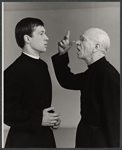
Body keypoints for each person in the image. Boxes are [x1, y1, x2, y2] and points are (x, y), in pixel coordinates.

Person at [51, 28, 120, 147]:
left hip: (99, 142)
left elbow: (114, 121)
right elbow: (68, 81)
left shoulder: (108, 75)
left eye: (82, 39)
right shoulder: (94, 71)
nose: (77, 42)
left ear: (96, 47)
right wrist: (62, 54)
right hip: (87, 137)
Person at [4, 17, 61, 148]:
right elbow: (6, 112)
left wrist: (51, 119)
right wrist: (39, 119)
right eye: (41, 33)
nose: (47, 38)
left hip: (45, 138)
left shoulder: (42, 65)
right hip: (23, 141)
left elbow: (37, 104)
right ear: (27, 39)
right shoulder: (14, 70)